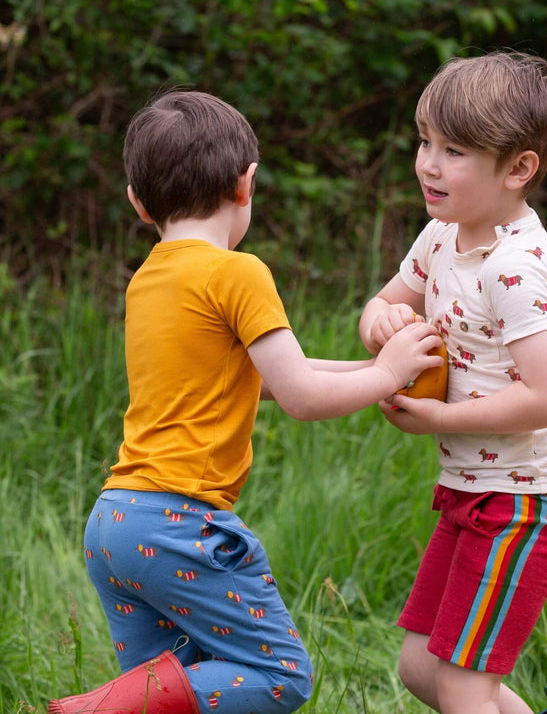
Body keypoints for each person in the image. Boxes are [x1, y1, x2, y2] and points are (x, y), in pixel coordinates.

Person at [49, 91, 442, 714]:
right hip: (180, 525)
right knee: (278, 676)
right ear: (246, 183)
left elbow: (285, 368)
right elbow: (303, 396)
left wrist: (379, 372)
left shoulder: (148, 279)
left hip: (116, 522)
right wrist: (389, 370)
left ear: (136, 201)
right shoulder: (237, 273)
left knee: (177, 690)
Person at [359, 51, 547, 714]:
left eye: (454, 150)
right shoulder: (442, 235)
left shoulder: (514, 269)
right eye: (425, 141)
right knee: (421, 667)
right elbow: (379, 305)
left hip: (530, 503)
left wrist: (437, 420)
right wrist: (383, 325)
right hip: (474, 492)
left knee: (465, 684)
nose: (429, 164)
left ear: (519, 168)